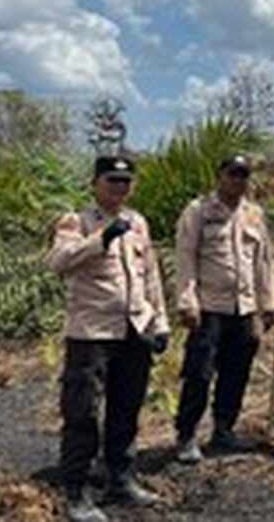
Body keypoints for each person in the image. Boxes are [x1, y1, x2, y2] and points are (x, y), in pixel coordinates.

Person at [45, 156, 169, 522]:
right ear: (95, 183)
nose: (119, 187)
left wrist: (159, 323)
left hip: (134, 330)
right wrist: (100, 240)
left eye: (126, 181)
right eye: (112, 180)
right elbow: (57, 261)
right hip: (92, 333)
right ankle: (76, 489)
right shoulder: (76, 222)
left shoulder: (138, 223)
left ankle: (121, 477)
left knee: (126, 408)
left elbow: (151, 278)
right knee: (83, 411)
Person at [173, 155, 274, 463]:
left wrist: (268, 303)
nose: (238, 181)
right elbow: (185, 258)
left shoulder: (254, 215)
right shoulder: (198, 212)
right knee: (199, 373)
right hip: (208, 308)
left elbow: (264, 261)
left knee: (237, 372)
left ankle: (224, 429)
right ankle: (187, 434)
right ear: (220, 176)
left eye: (244, 175)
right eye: (233, 174)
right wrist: (186, 301)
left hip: (244, 309)